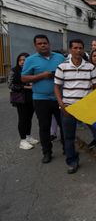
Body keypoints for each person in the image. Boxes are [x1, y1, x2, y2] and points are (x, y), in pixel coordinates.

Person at [54, 39, 96, 174]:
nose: (78, 50)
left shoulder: (90, 67)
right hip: (69, 108)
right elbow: (56, 87)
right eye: (75, 48)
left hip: (87, 108)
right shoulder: (62, 67)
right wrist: (61, 104)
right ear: (70, 50)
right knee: (69, 137)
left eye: (80, 48)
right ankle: (72, 161)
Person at [21, 35, 65, 164]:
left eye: (45, 43)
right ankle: (47, 152)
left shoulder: (60, 57)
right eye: (39, 44)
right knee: (44, 127)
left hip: (59, 98)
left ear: (49, 43)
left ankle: (67, 149)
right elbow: (24, 78)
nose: (43, 45)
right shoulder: (30, 60)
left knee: (64, 125)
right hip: (41, 99)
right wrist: (42, 75)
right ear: (35, 46)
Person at [8, 52, 39, 150]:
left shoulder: (32, 70)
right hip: (20, 98)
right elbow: (10, 85)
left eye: (24, 60)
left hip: (32, 97)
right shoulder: (14, 70)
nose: (22, 62)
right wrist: (25, 87)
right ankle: (22, 140)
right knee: (22, 119)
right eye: (20, 60)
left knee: (29, 118)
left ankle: (28, 137)